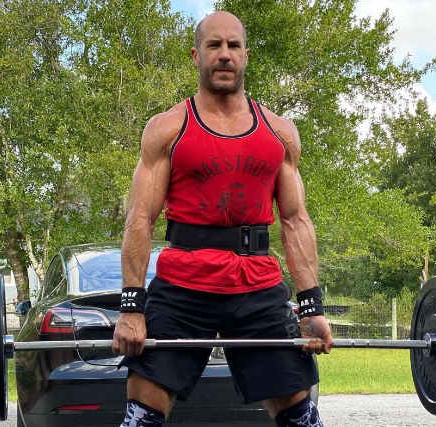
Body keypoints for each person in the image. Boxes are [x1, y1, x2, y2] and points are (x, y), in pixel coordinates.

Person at [112, 11, 334, 427]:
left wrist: (311, 306)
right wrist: (131, 308)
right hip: (182, 286)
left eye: (233, 45)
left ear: (246, 55)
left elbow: (295, 221)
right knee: (141, 416)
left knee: (301, 418)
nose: (225, 54)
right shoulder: (167, 128)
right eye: (214, 46)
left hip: (258, 286)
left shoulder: (279, 132)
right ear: (196, 56)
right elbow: (140, 219)